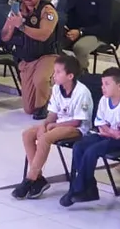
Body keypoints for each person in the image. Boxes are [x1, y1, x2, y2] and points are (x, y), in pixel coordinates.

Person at [12, 55, 92, 200]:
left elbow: (77, 122)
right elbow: (52, 114)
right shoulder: (56, 88)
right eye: (54, 71)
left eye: (58, 72)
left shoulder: (82, 92)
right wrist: (44, 124)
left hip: (77, 129)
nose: (54, 75)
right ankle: (39, 179)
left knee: (45, 138)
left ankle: (30, 179)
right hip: (58, 125)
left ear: (70, 76)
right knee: (28, 134)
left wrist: (53, 126)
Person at [60, 67, 120, 207]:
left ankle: (77, 189)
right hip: (109, 136)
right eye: (102, 84)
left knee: (93, 151)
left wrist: (108, 131)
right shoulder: (104, 100)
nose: (103, 87)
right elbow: (100, 124)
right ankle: (89, 187)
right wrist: (110, 132)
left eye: (107, 84)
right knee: (79, 146)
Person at [1, 0, 60, 118]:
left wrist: (21, 26)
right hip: (27, 58)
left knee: (40, 79)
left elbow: (44, 35)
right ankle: (48, 98)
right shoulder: (16, 8)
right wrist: (11, 24)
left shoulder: (48, 10)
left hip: (47, 55)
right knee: (29, 109)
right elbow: (4, 37)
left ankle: (47, 104)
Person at [60, 0, 112, 69]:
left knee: (80, 48)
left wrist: (81, 32)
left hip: (96, 34)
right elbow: (66, 14)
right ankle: (70, 70)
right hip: (74, 30)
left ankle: (82, 74)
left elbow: (104, 25)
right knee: (53, 43)